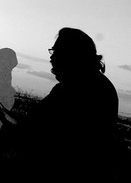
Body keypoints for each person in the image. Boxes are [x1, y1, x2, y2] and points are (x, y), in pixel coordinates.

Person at [13, 27, 119, 183]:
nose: (51, 58)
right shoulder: (97, 85)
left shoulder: (75, 88)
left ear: (70, 55)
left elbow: (43, 131)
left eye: (55, 52)